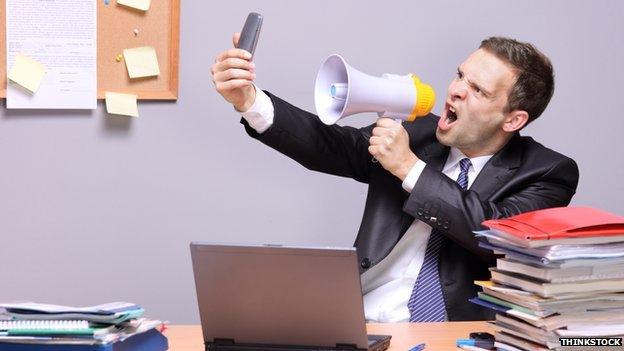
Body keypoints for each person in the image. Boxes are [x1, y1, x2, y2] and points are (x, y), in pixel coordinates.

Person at [210, 35, 579, 322]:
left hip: (456, 333)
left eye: (477, 90)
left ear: (513, 119)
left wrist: (408, 168)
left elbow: (493, 233)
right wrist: (249, 100)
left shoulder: (548, 172)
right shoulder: (418, 133)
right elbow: (331, 146)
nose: (455, 90)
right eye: (460, 75)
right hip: (364, 322)